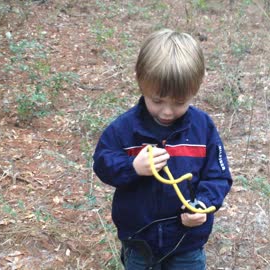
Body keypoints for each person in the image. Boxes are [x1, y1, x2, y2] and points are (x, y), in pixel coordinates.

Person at [93, 28, 232, 270]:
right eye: (157, 100)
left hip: (186, 242)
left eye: (179, 102)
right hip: (139, 241)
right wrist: (132, 167)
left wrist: (202, 205)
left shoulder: (203, 128)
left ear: (196, 88)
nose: (167, 111)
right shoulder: (124, 129)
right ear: (141, 81)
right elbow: (102, 164)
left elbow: (218, 175)